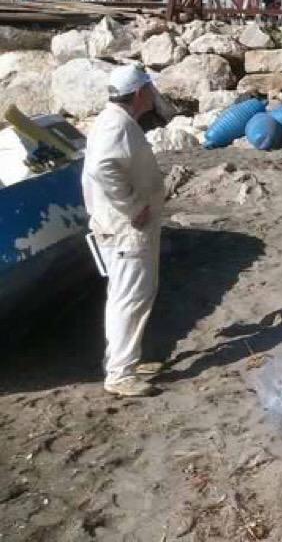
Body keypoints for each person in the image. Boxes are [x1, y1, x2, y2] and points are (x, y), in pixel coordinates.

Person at [82, 63, 165, 397]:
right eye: (149, 90)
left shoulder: (116, 120)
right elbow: (102, 166)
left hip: (124, 226)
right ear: (139, 93)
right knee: (128, 299)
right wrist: (132, 206)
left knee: (132, 296)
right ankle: (120, 373)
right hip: (126, 228)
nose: (153, 95)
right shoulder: (116, 125)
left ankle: (125, 360)